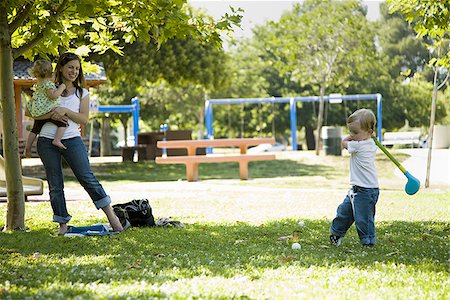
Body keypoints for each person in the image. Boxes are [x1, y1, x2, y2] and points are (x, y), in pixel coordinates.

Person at [29, 52, 125, 235]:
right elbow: (33, 113)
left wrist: (64, 110)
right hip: (47, 141)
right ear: (61, 68)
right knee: (55, 184)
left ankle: (113, 219)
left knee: (87, 178)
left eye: (77, 68)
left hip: (72, 139)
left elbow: (83, 119)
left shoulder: (82, 92)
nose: (74, 71)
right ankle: (62, 225)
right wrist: (51, 114)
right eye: (70, 67)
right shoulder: (48, 87)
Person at [329, 108, 380, 247]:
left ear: (369, 132)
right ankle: (336, 233)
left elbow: (344, 143)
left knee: (364, 219)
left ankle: (368, 242)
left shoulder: (359, 146)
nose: (351, 135)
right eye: (350, 131)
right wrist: (359, 135)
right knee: (344, 211)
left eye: (355, 132)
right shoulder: (369, 142)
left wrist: (348, 138)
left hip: (366, 190)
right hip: (356, 188)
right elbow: (359, 139)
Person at [25, 59, 67, 157]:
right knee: (63, 123)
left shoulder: (38, 85)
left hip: (39, 111)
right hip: (48, 110)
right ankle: (57, 140)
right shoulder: (48, 84)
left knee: (35, 130)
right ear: (50, 73)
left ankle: (28, 147)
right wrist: (62, 87)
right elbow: (53, 95)